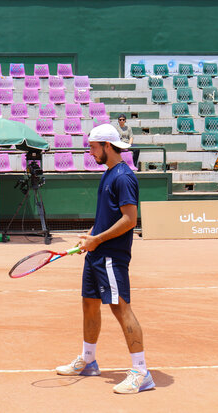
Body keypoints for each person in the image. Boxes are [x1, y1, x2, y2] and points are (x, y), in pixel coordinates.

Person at [55, 123, 155, 394]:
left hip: (112, 255)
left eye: (93, 147)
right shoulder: (108, 173)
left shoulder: (123, 177)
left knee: (120, 308)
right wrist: (90, 236)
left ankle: (141, 371)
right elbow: (106, 216)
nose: (90, 152)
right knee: (89, 304)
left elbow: (129, 220)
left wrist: (98, 240)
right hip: (97, 253)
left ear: (107, 146)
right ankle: (88, 361)